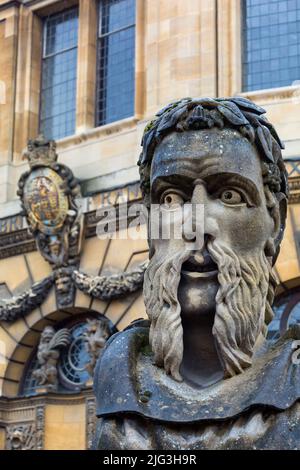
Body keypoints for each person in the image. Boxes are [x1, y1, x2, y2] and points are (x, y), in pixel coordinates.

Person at [93, 97, 300, 450]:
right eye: (171, 199)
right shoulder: (119, 377)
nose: (197, 226)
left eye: (230, 194)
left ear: (275, 223)